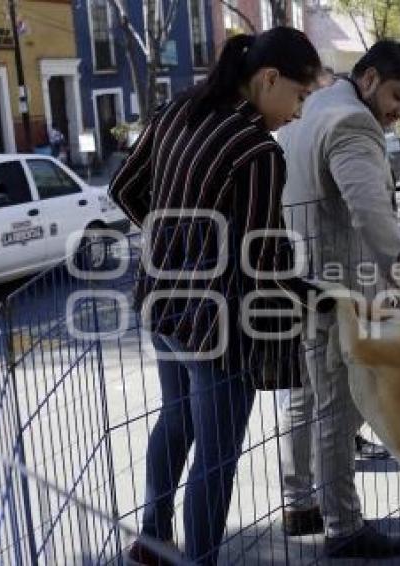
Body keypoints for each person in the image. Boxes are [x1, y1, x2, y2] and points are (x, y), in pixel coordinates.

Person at [109, 27, 325, 566]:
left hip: (161, 302)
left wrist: (171, 244)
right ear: (269, 79)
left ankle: (152, 541)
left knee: (175, 421)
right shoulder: (256, 151)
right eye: (299, 97)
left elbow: (123, 190)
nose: (297, 113)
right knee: (218, 453)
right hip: (218, 325)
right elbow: (262, 263)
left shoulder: (178, 109)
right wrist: (322, 297)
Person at [277, 41, 400, 558]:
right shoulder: (352, 122)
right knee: (339, 411)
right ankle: (343, 526)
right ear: (366, 79)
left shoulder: (315, 105)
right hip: (340, 292)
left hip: (305, 278)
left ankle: (300, 502)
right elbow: (369, 212)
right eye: (396, 95)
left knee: (308, 398)